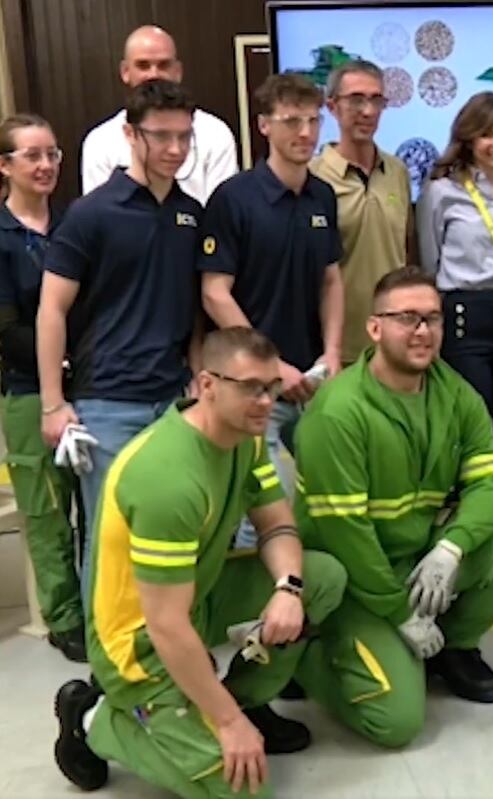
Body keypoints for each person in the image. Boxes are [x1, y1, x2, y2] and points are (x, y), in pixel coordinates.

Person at [51, 327, 348, 798]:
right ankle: (95, 718)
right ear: (208, 385)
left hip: (196, 598)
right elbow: (165, 625)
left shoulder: (243, 438)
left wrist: (288, 590)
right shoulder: (166, 479)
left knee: (322, 577)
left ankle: (239, 701)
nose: (267, 402)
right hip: (140, 645)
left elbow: (277, 527)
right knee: (244, 791)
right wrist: (225, 724)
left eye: (272, 388)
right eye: (252, 388)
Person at [292, 268, 493, 748]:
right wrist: (397, 612)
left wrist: (452, 546)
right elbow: (346, 533)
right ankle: (307, 658)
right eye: (406, 318)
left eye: (432, 318)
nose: (423, 330)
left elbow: (491, 480)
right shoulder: (338, 412)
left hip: (418, 556)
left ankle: (452, 647)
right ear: (374, 328)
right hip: (352, 579)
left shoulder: (454, 393)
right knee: (398, 722)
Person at [38, 79, 204, 585]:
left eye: (184, 136)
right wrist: (52, 403)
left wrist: (198, 375)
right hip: (107, 402)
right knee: (110, 534)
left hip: (173, 399)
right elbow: (52, 309)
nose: (175, 149)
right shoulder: (91, 215)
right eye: (162, 136)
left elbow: (195, 311)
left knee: (171, 530)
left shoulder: (191, 216)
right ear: (132, 135)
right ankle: (106, 661)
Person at [200, 73, 344, 548]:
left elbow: (330, 279)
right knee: (254, 508)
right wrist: (270, 366)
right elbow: (215, 292)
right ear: (264, 125)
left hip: (313, 379)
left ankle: (312, 589)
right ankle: (253, 612)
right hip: (254, 383)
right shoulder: (233, 199)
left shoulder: (322, 196)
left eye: (312, 120)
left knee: (331, 493)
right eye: (290, 121)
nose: (304, 133)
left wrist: (333, 352)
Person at [0, 114, 85, 661]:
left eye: (53, 155)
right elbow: (7, 328)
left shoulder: (72, 223)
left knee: (90, 503)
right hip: (26, 390)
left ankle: (96, 602)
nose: (45, 166)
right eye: (32, 156)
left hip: (84, 385)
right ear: (3, 165)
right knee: (45, 510)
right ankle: (63, 616)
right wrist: (58, 365)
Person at [416, 91, 493, 515]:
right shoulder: (441, 192)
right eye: (486, 133)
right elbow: (430, 259)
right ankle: (472, 489)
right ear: (468, 139)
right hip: (464, 311)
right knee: (475, 410)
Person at [310, 59, 415, 363]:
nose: (367, 111)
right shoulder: (314, 178)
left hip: (395, 343)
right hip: (338, 349)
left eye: (376, 100)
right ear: (332, 106)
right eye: (356, 100)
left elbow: (403, 251)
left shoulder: (397, 171)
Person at [80, 25, 237, 205]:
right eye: (143, 65)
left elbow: (220, 213)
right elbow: (99, 216)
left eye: (163, 65)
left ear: (178, 71)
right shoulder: (99, 142)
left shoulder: (216, 133)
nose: (153, 75)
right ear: (125, 71)